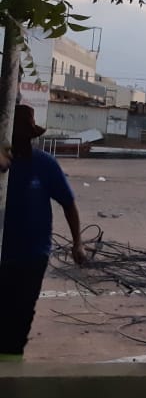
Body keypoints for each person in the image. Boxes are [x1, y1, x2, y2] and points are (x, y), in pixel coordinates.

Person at [0, 104, 86, 362]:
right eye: (18, 137)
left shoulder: (45, 165)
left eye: (27, 137)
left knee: (20, 319)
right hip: (2, 255)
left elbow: (68, 204)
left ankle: (11, 370)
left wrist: (77, 243)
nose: (24, 142)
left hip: (32, 255)